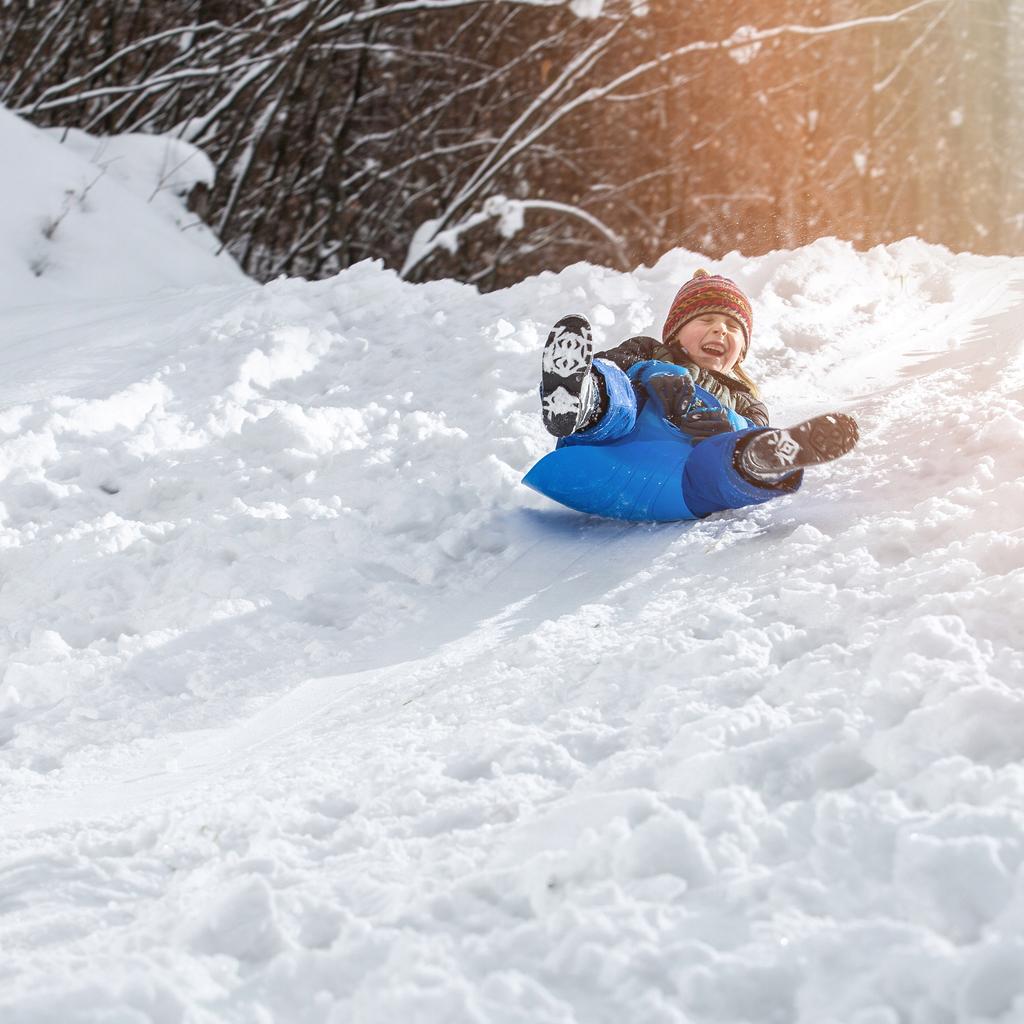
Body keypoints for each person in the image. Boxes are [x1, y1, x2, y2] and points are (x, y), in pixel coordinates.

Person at [522, 269, 859, 522]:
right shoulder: (647, 350)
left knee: (722, 458)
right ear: (675, 333)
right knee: (624, 392)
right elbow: (609, 365)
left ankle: (758, 460)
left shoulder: (745, 400)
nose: (720, 329)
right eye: (706, 319)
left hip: (677, 477)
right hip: (606, 445)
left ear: (741, 353)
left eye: (733, 327)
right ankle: (585, 400)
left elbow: (750, 425)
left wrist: (724, 424)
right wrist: (653, 373)